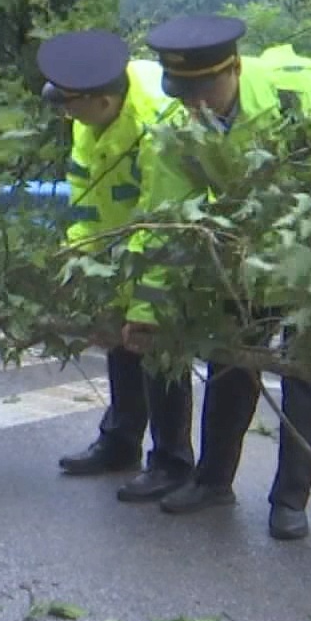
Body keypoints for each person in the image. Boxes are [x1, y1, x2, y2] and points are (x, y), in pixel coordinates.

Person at [124, 15, 311, 541]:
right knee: (229, 364)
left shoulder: (299, 95)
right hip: (243, 260)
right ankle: (212, 480)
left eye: (206, 88)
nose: (198, 104)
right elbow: (167, 220)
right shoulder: (179, 127)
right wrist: (147, 310)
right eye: (186, 93)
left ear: (234, 67)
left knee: (308, 375)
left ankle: (289, 500)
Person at [37, 31, 197, 503]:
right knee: (117, 338)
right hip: (122, 247)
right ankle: (120, 440)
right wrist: (85, 274)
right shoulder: (88, 115)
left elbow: (165, 223)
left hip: (175, 242)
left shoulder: (159, 120)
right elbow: (86, 200)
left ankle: (171, 460)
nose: (66, 114)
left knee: (157, 344)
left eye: (71, 105)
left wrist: (146, 305)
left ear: (104, 100)